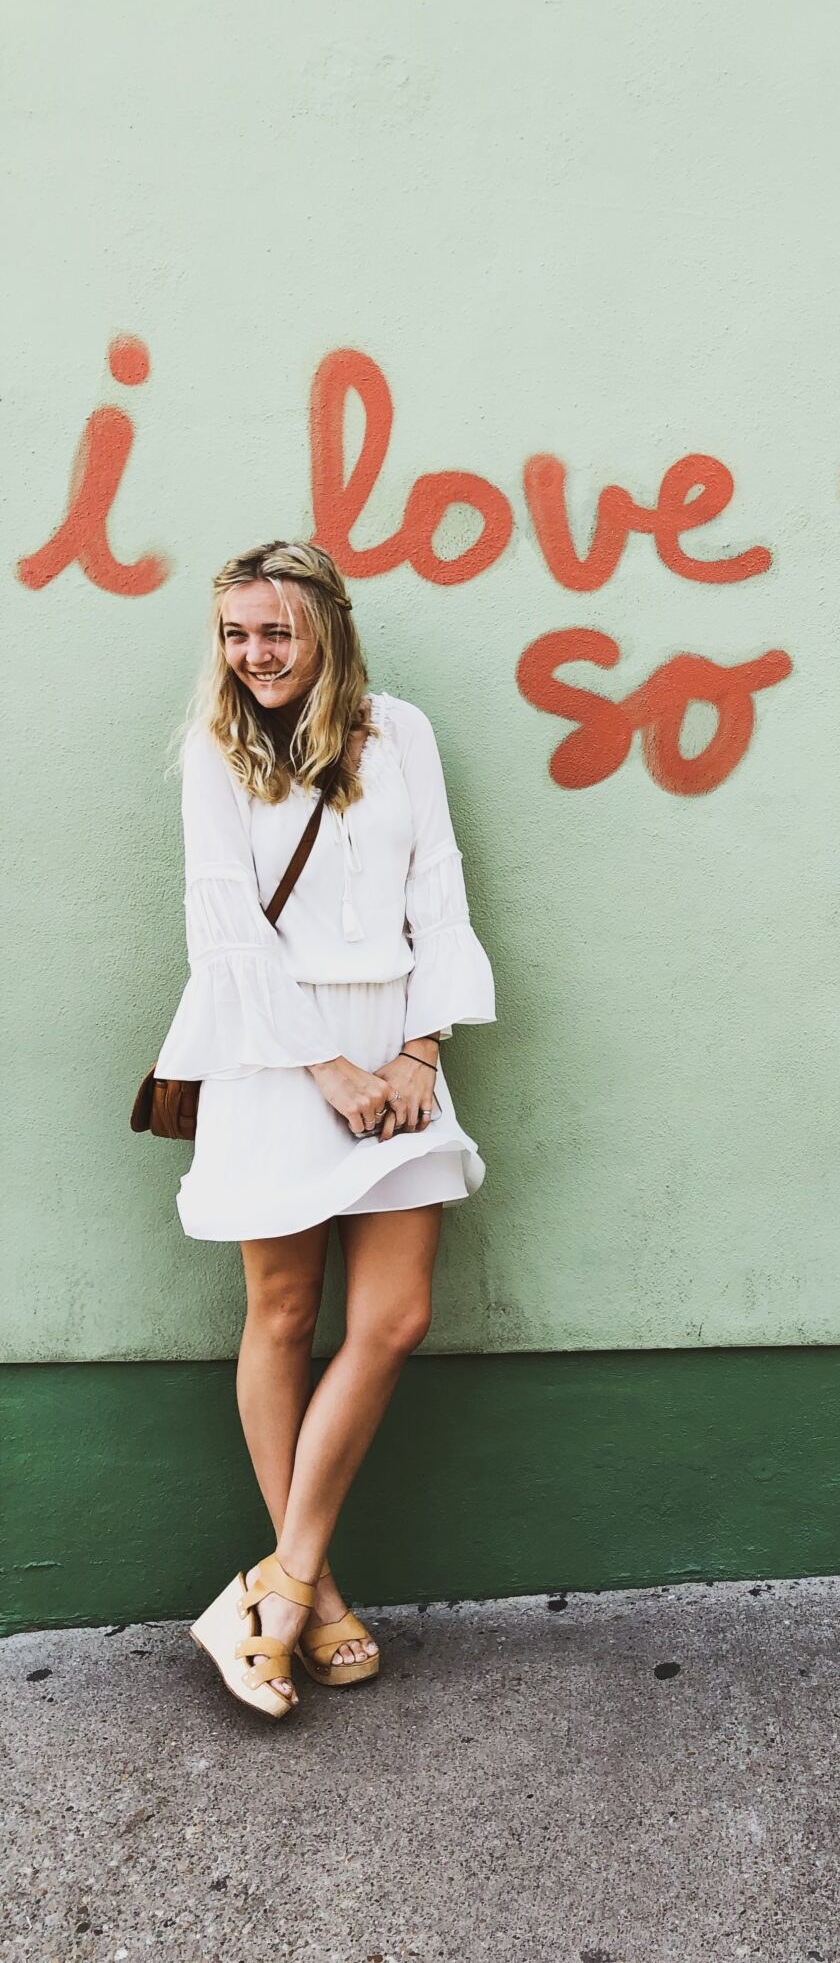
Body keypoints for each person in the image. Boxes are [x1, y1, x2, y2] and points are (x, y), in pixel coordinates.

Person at [156, 540, 496, 1719]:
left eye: (276, 632)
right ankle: (319, 1592)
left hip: (398, 1054)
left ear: (329, 633)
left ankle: (275, 1583)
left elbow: (439, 885)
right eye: (236, 634)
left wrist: (418, 1048)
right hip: (274, 1056)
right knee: (286, 1311)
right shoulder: (216, 749)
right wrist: (326, 1065)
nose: (253, 655)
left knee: (395, 1314)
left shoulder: (400, 731)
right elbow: (227, 928)